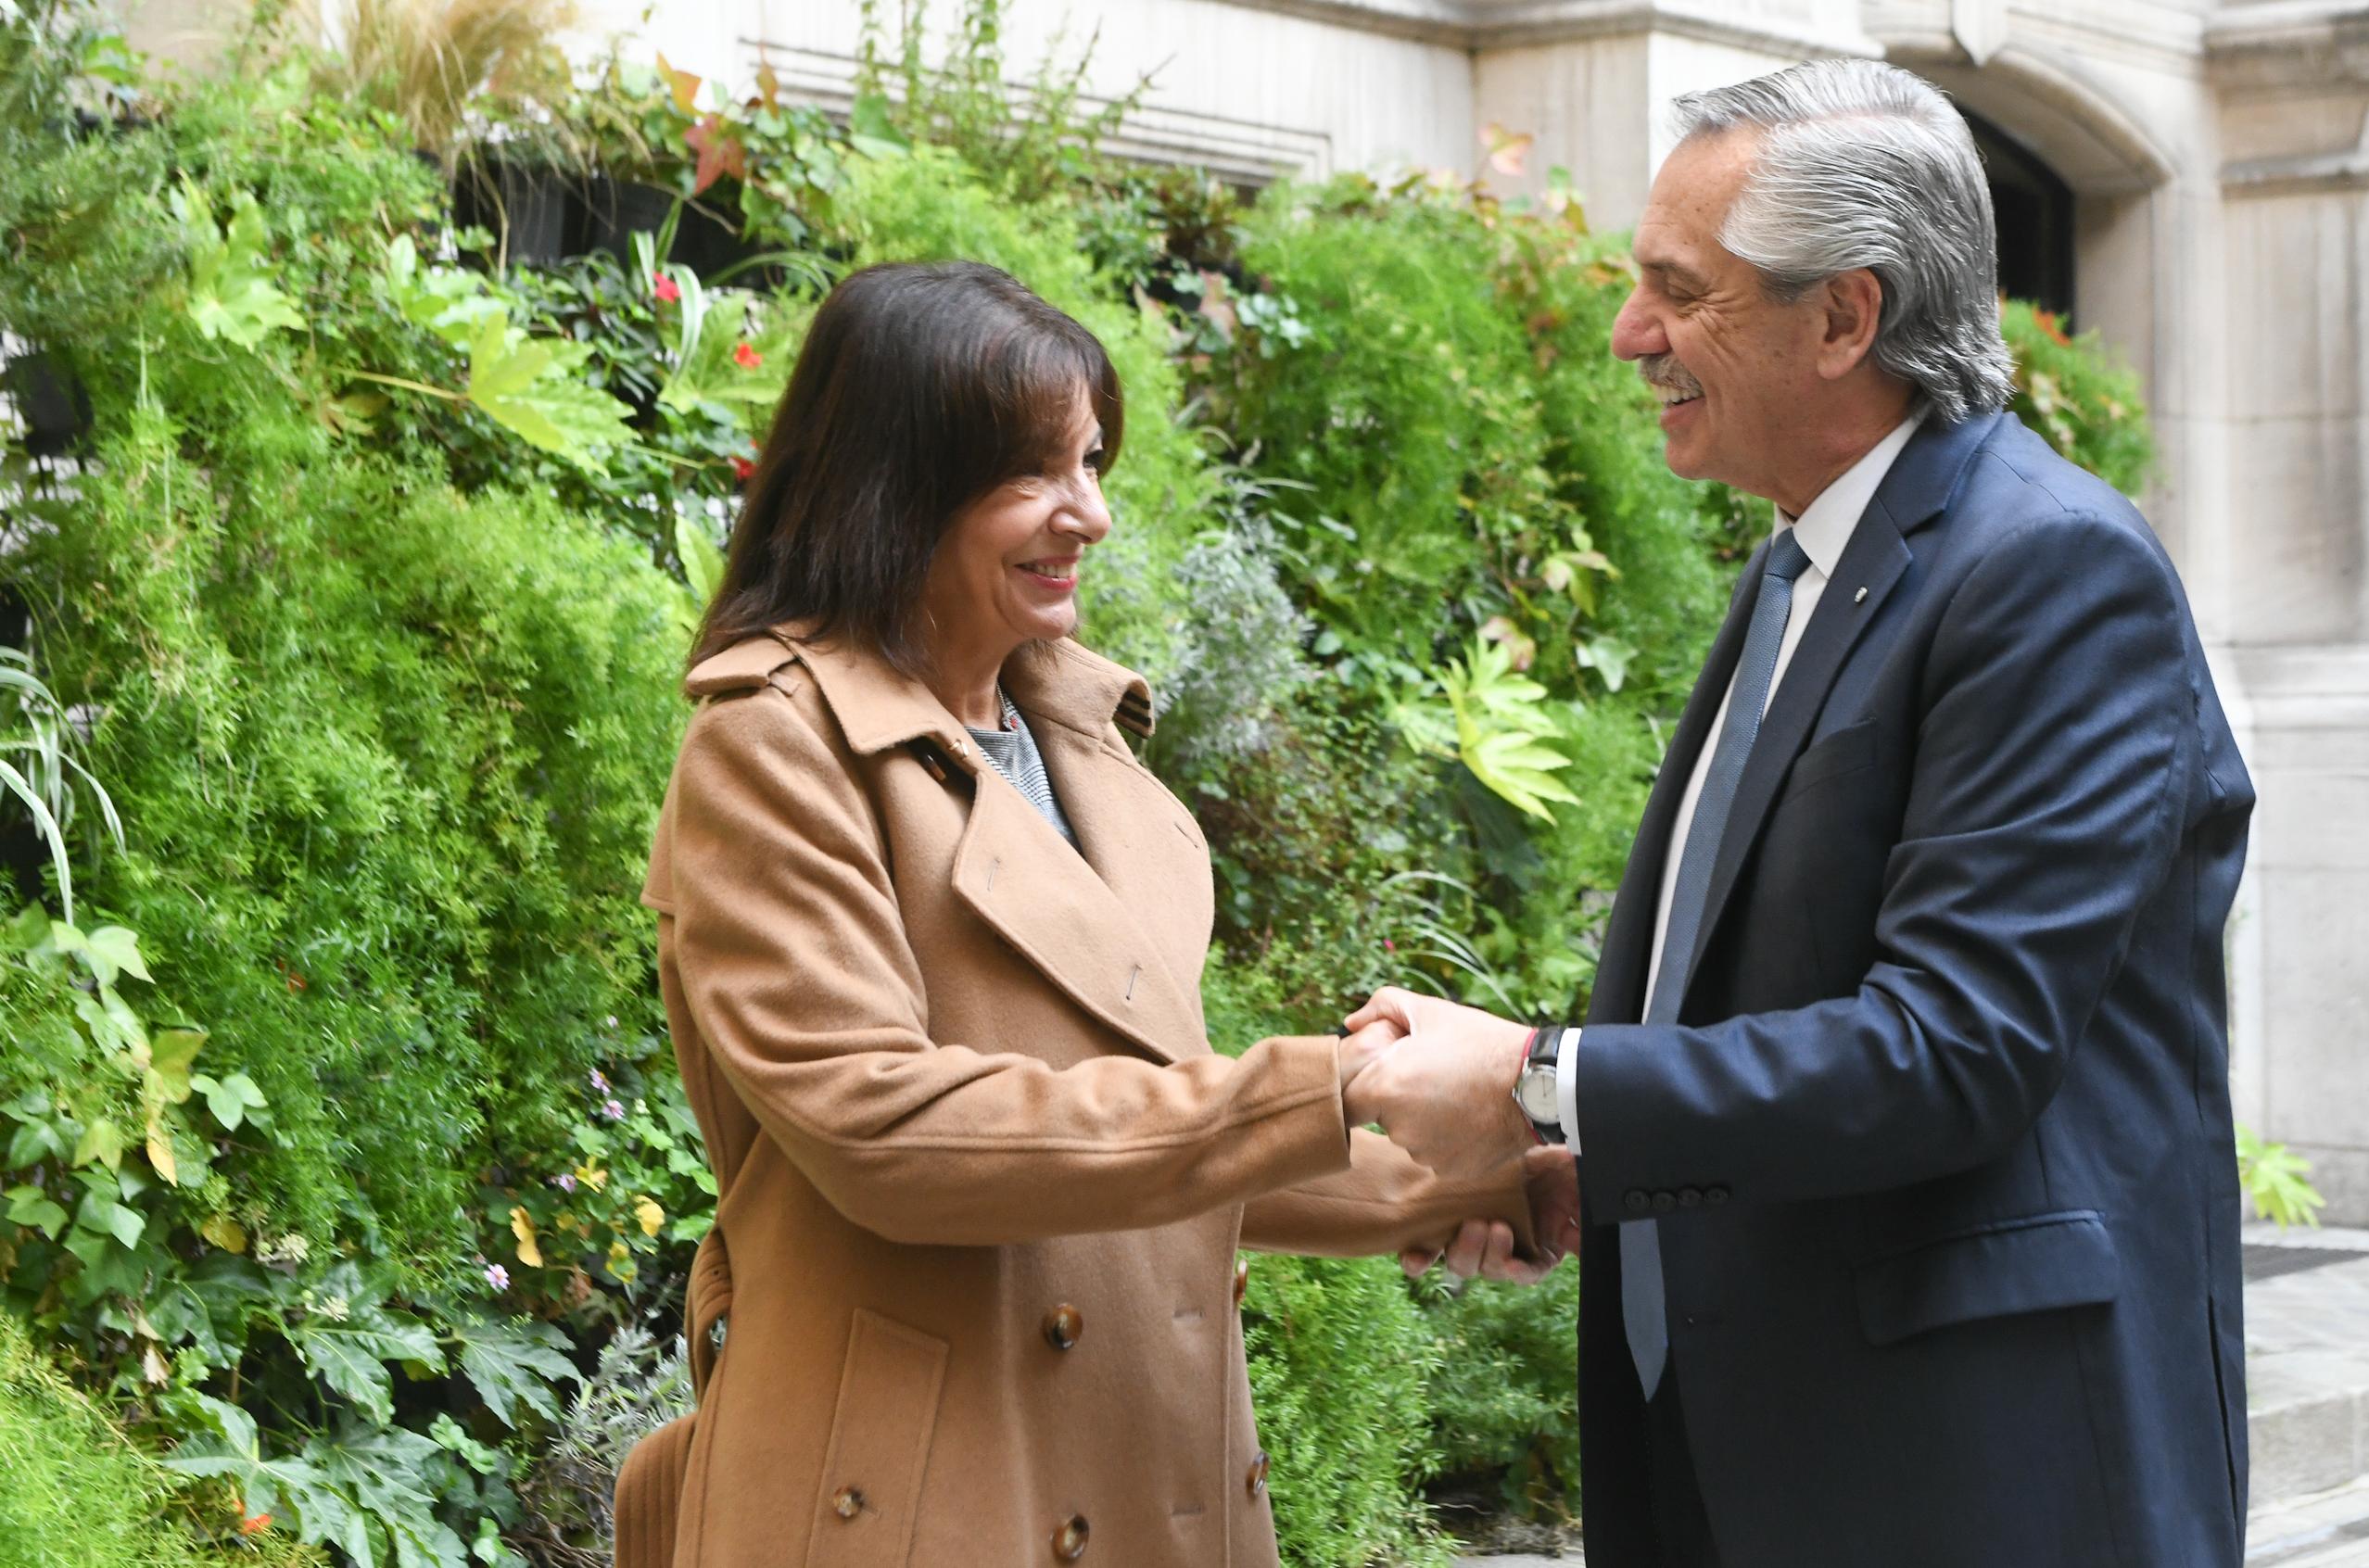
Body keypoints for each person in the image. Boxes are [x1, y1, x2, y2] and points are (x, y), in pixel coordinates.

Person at [1344, 59, 2257, 1567]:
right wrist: (1562, 1158)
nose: (1632, 335)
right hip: (1751, 1440)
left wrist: (1535, 1078)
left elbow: (1951, 1050)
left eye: (1680, 292)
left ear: (1847, 317)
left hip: (1965, 1475)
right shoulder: (1804, 558)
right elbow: (1763, 987)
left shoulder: (2048, 570)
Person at [611, 260, 1570, 1568]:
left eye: (1095, 460)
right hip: (924, 1494)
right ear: (901, 482)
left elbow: (1139, 1139)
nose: (1093, 515)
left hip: (1145, 1474)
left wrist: (1496, 1169)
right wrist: (1333, 1087)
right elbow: (888, 1129)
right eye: (1038, 474)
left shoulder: (1067, 736)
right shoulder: (776, 747)